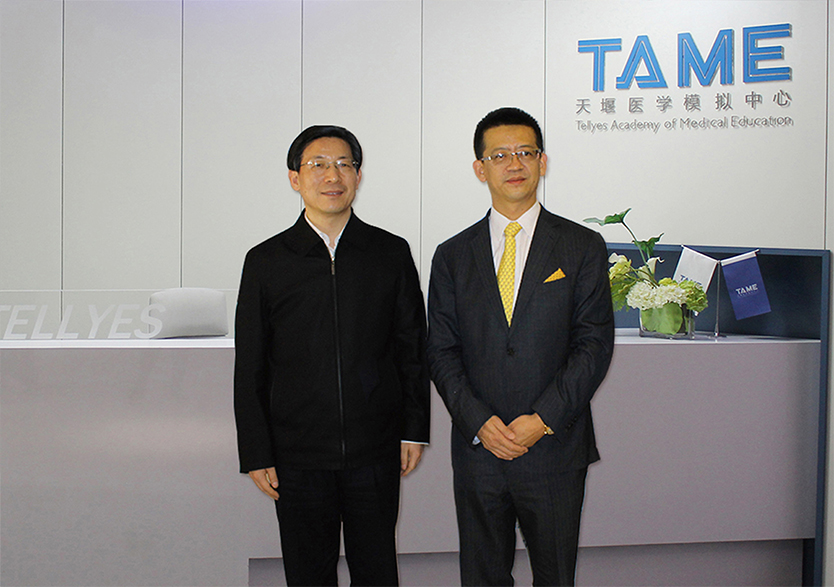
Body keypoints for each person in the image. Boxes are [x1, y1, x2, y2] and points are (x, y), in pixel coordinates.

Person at [234, 125, 430, 587]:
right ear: (294, 178)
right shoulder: (266, 261)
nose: (332, 175)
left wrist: (413, 429)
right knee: (308, 574)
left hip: (375, 448)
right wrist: (256, 451)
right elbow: (251, 366)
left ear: (358, 176)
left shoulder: (390, 252)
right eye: (317, 165)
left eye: (344, 164)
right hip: (297, 454)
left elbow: (412, 349)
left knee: (377, 571)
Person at [427, 107, 614, 586]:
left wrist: (542, 419)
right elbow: (441, 350)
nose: (515, 164)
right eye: (500, 155)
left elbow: (593, 345)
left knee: (555, 576)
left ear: (542, 162)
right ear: (480, 168)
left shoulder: (582, 246)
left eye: (526, 153)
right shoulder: (452, 255)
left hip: (554, 448)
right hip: (479, 451)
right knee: (482, 578)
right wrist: (478, 421)